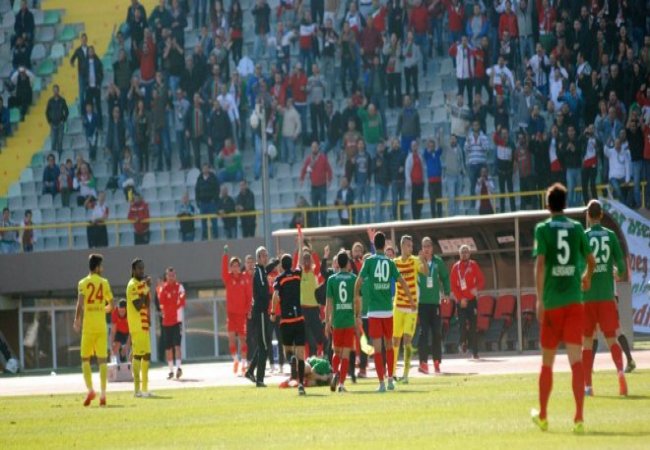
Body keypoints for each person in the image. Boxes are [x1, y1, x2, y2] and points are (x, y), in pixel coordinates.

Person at [531, 183, 595, 434]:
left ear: (548, 204)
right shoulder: (578, 227)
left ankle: (544, 416)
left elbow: (540, 265)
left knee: (547, 362)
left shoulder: (543, 229)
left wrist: (539, 299)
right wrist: (587, 276)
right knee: (575, 360)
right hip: (574, 302)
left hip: (553, 304)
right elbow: (591, 260)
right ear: (565, 203)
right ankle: (579, 418)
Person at [354, 231, 414, 392]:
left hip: (374, 312)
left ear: (374, 244)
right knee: (389, 346)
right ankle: (390, 380)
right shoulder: (390, 262)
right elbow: (402, 282)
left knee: (378, 348)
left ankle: (381, 383)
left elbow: (358, 283)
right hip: (388, 310)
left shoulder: (369, 262)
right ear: (385, 245)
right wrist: (411, 300)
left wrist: (356, 300)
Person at [582, 200, 628, 397]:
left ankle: (588, 386)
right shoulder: (610, 236)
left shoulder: (583, 237)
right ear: (601, 215)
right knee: (611, 339)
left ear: (589, 216)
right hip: (607, 296)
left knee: (587, 342)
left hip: (588, 297)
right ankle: (619, 371)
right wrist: (617, 272)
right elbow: (622, 266)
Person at [73, 254, 114, 407]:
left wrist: (77, 320)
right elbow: (112, 305)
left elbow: (80, 304)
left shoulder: (82, 283)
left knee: (85, 359)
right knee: (102, 360)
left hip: (88, 327)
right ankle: (103, 395)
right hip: (101, 327)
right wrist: (102, 309)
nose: (102, 268)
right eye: (101, 266)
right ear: (97, 267)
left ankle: (90, 390)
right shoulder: (104, 283)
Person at [392, 235, 426, 383]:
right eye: (408, 246)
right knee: (394, 341)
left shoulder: (415, 260)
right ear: (402, 246)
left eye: (411, 246)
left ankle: (405, 374)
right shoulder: (395, 262)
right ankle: (391, 373)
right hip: (398, 306)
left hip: (411, 308)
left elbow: (426, 272)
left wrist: (423, 259)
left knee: (407, 341)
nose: (410, 248)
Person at [271, 254, 307, 396]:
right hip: (299, 319)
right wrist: (299, 242)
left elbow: (275, 296)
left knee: (287, 351)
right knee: (301, 355)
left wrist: (273, 312)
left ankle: (290, 359)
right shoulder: (297, 274)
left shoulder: (279, 279)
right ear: (291, 264)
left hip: (286, 321)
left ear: (281, 266)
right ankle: (301, 384)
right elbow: (300, 264)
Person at [325, 251, 360, 393]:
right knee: (346, 354)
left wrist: (328, 322)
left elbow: (329, 303)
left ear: (337, 263)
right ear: (347, 263)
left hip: (337, 321)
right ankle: (341, 384)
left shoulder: (332, 279)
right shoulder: (353, 279)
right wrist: (357, 316)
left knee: (336, 352)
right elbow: (356, 300)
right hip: (349, 321)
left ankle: (335, 373)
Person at [417, 237, 450, 374]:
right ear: (421, 248)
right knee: (423, 333)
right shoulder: (417, 262)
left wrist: (447, 293)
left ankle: (437, 362)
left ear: (432, 248)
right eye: (424, 246)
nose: (426, 249)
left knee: (437, 333)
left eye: (429, 246)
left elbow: (445, 277)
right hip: (421, 304)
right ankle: (423, 363)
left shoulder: (438, 262)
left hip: (435, 304)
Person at [450, 245, 485, 359]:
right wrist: (461, 299)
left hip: (472, 301)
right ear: (459, 254)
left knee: (473, 326)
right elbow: (453, 286)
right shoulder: (455, 267)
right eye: (462, 252)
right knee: (462, 325)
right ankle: (463, 342)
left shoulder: (473, 265)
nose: (464, 254)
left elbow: (481, 280)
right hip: (461, 301)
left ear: (469, 254)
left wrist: (476, 289)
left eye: (466, 252)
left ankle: (474, 352)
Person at [222, 245, 252, 376]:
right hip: (231, 314)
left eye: (236, 265)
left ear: (239, 267)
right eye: (232, 265)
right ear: (230, 267)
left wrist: (248, 309)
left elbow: (249, 295)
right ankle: (235, 360)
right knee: (231, 340)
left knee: (243, 339)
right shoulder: (228, 278)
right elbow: (223, 270)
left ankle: (244, 364)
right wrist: (225, 255)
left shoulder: (245, 278)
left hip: (242, 314)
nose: (235, 268)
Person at [245, 247, 272, 387]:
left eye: (267, 255)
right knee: (264, 346)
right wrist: (271, 297)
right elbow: (262, 293)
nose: (266, 258)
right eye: (263, 256)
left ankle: (250, 371)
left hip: (263, 312)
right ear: (258, 257)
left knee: (264, 343)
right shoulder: (259, 272)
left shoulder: (262, 271)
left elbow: (269, 268)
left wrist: (277, 261)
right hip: (260, 312)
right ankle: (260, 379)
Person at [127, 258, 153, 398]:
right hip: (136, 326)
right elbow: (138, 306)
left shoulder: (141, 284)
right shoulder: (132, 285)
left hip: (144, 324)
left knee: (147, 355)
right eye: (139, 268)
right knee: (137, 355)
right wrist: (146, 288)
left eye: (143, 268)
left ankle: (145, 389)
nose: (142, 271)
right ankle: (137, 390)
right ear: (133, 270)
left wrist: (147, 288)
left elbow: (147, 303)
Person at [157, 267, 186, 380]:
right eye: (169, 275)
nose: (171, 277)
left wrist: (176, 303)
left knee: (177, 346)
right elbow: (161, 303)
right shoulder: (162, 288)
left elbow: (182, 300)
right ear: (166, 276)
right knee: (168, 348)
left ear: (175, 276)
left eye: (173, 275)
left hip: (176, 322)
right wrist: (170, 305)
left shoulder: (179, 287)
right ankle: (170, 370)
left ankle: (178, 368)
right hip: (166, 323)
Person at [299, 142, 333, 227]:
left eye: (315, 147)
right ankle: (316, 227)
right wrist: (302, 179)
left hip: (322, 186)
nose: (314, 149)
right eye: (312, 147)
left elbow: (329, 170)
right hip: (313, 186)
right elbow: (304, 169)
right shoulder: (309, 159)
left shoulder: (323, 158)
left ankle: (324, 226)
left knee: (323, 208)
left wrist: (329, 180)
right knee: (314, 209)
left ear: (318, 148)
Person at [195, 164, 220, 240]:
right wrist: (197, 201)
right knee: (203, 221)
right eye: (203, 168)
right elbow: (197, 191)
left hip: (211, 202)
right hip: (203, 203)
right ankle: (204, 236)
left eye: (206, 168)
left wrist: (215, 199)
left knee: (214, 220)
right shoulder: (199, 179)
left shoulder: (213, 178)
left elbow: (217, 189)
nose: (205, 170)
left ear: (209, 169)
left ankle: (215, 235)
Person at [45, 85, 69, 156]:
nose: (55, 92)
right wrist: (49, 121)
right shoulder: (50, 101)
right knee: (53, 141)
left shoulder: (62, 100)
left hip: (60, 124)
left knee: (60, 141)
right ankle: (53, 157)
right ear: (53, 91)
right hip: (53, 124)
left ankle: (60, 156)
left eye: (56, 90)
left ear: (58, 91)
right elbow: (47, 112)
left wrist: (63, 120)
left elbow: (66, 111)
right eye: (54, 90)